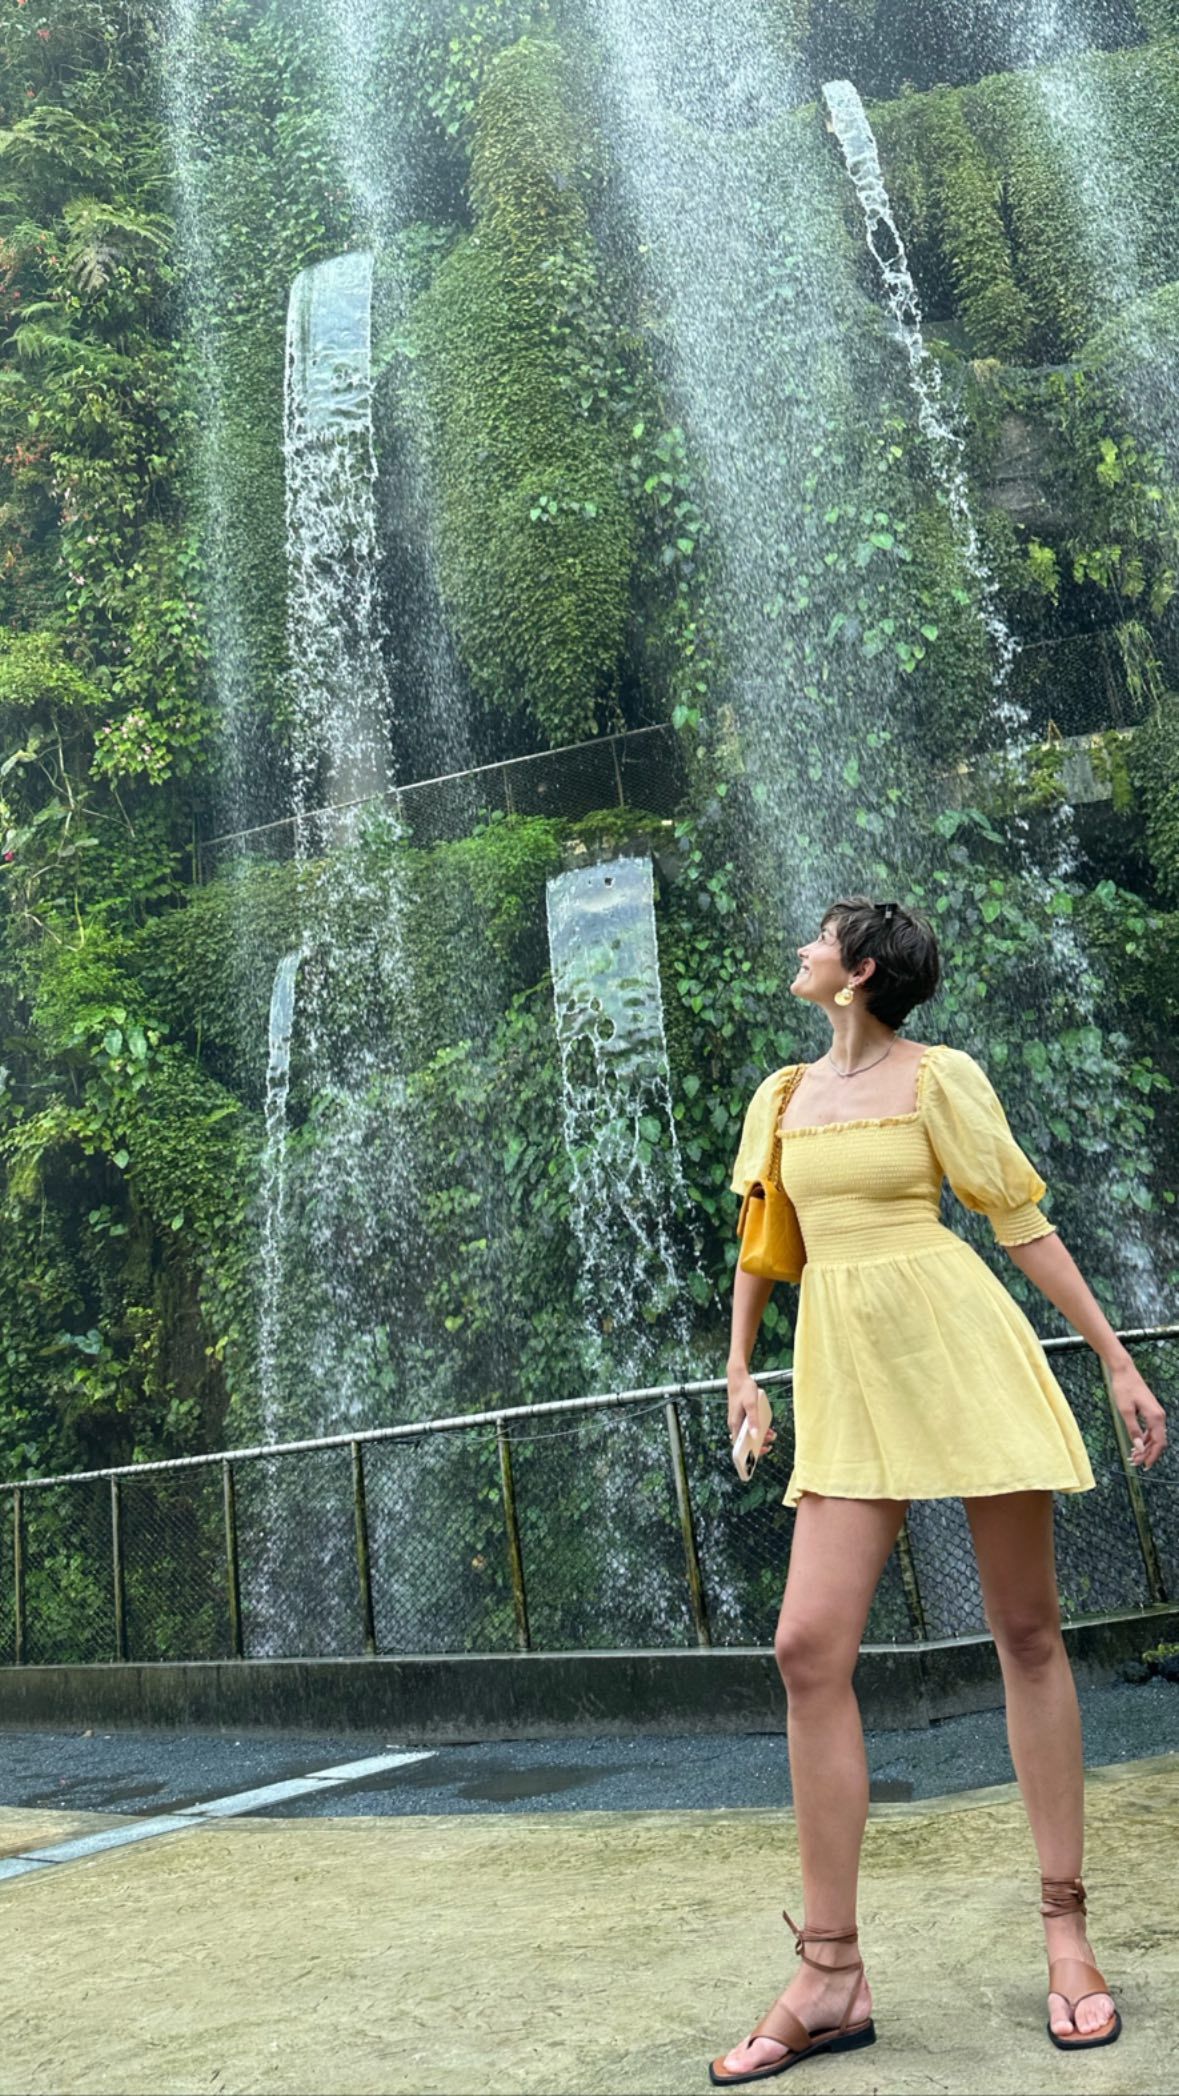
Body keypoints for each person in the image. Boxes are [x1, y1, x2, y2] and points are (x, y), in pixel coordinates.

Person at [710, 895, 1168, 2087]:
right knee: (807, 1646)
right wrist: (741, 1368)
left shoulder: (939, 1078)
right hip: (848, 1377)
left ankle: (1066, 1930)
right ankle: (829, 1973)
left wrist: (1116, 1359)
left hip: (959, 1350)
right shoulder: (781, 1096)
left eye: (819, 939)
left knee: (1027, 1631)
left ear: (860, 971)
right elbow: (766, 1238)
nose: (802, 949)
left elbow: (1019, 1222)